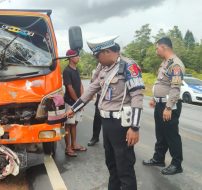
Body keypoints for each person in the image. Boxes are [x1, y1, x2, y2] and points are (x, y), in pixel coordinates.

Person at [66, 36, 145, 190]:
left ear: (107, 52)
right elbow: (91, 90)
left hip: (121, 124)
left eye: (98, 55)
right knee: (111, 163)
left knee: (124, 166)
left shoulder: (129, 67)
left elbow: (137, 97)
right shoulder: (105, 68)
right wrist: (73, 109)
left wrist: (135, 128)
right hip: (107, 123)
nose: (97, 59)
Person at [142, 37, 185, 175]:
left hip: (169, 105)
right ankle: (159, 158)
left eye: (157, 48)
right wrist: (155, 98)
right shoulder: (165, 63)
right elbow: (162, 83)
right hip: (161, 103)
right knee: (160, 134)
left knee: (171, 135)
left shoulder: (175, 64)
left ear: (164, 48)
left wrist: (168, 107)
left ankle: (176, 164)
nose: (156, 50)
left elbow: (175, 88)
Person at [63, 49, 87, 157]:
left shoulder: (76, 70)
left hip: (77, 102)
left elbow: (80, 84)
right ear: (71, 58)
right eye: (77, 56)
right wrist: (78, 101)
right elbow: (69, 87)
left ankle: (74, 144)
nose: (79, 58)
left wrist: (82, 100)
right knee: (68, 125)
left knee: (75, 124)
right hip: (70, 103)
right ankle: (68, 147)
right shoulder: (66, 71)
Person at [88, 63, 102, 146]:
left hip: (114, 97)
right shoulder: (101, 63)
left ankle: (111, 140)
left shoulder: (121, 62)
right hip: (101, 94)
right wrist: (92, 92)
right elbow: (95, 76)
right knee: (97, 117)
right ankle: (95, 137)